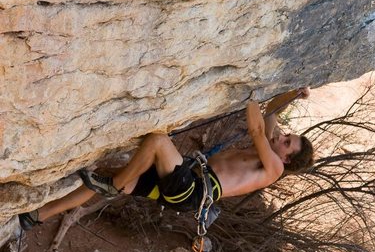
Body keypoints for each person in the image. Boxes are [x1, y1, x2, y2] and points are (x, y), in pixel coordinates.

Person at [18, 88, 314, 231]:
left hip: (193, 191)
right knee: (106, 177)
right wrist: (293, 91)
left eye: (287, 143)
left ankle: (115, 184)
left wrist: (254, 90)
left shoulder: (273, 167)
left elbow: (257, 127)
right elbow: (271, 114)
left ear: (287, 160)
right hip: (187, 180)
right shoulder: (271, 148)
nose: (282, 138)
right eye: (287, 136)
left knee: (158, 141)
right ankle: (36, 217)